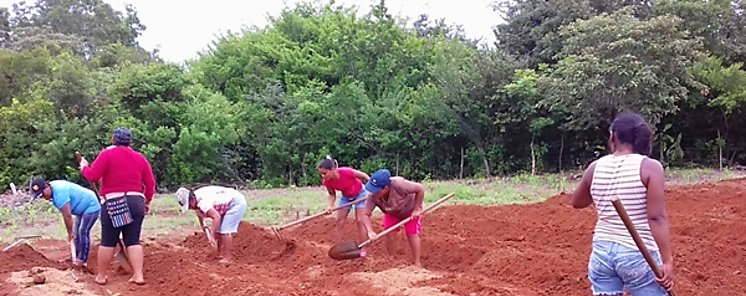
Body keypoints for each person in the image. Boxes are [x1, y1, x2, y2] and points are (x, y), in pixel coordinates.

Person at [571, 113, 675, 295]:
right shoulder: (650, 167)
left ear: (613, 137)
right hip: (637, 254)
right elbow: (656, 217)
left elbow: (578, 202)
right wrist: (667, 261)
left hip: (602, 253)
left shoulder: (596, 167)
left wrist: (603, 189)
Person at [79, 127, 156, 286]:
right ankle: (138, 275)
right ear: (130, 142)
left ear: (113, 139)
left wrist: (84, 168)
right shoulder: (139, 157)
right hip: (136, 201)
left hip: (114, 202)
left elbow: (93, 176)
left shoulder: (107, 154)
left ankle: (101, 276)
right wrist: (147, 201)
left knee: (108, 240)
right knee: (133, 240)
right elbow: (150, 184)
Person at [359, 169, 425, 266]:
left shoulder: (399, 184)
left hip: (410, 209)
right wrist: (370, 231)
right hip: (392, 212)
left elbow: (420, 189)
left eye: (376, 190)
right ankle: (392, 261)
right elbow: (365, 214)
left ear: (385, 188)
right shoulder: (372, 196)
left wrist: (416, 209)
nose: (373, 193)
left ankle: (417, 263)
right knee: (389, 233)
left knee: (411, 233)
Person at [30, 178, 101, 267]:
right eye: (40, 197)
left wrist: (69, 232)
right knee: (76, 233)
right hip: (81, 209)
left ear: (47, 187)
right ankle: (76, 256)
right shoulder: (53, 190)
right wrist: (71, 233)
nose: (43, 198)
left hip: (91, 205)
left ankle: (82, 260)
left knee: (82, 231)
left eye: (42, 194)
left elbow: (67, 216)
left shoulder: (60, 194)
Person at [175, 185, 247, 264]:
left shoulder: (203, 202)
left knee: (225, 230)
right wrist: (203, 226)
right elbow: (199, 215)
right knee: (219, 229)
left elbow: (216, 217)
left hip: (235, 203)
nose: (190, 208)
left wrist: (212, 236)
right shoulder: (196, 198)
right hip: (227, 202)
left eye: (189, 206)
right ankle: (218, 253)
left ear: (192, 199)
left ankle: (228, 258)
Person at [317, 155, 371, 255]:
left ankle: (364, 248)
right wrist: (330, 206)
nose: (323, 176)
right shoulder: (327, 182)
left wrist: (371, 189)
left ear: (333, 169)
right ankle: (338, 249)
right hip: (346, 197)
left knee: (360, 221)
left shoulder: (346, 172)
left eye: (325, 173)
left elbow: (364, 176)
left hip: (360, 194)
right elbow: (332, 194)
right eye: (321, 174)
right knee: (339, 221)